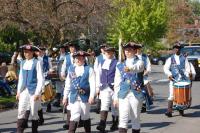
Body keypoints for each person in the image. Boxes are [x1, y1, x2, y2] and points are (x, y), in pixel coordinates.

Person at [113, 42, 144, 133]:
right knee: (123, 118)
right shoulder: (120, 64)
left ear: (135, 51)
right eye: (126, 50)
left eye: (130, 50)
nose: (127, 52)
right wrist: (115, 97)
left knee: (135, 118)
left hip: (136, 93)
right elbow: (117, 81)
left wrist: (129, 68)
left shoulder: (140, 62)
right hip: (123, 94)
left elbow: (137, 68)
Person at [62, 51, 96, 133]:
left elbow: (93, 84)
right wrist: (65, 97)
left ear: (84, 59)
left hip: (85, 97)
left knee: (85, 116)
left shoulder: (89, 69)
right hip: (73, 96)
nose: (79, 60)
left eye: (81, 58)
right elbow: (68, 84)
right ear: (74, 59)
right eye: (77, 58)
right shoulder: (71, 69)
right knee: (74, 115)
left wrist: (92, 96)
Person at [16, 44, 44, 133]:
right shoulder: (23, 62)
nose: (26, 53)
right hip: (24, 90)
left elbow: (40, 79)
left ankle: (34, 131)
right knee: (21, 110)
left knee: (33, 113)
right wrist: (18, 92)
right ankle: (19, 131)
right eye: (24, 52)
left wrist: (37, 93)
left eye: (27, 52)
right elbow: (21, 78)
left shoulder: (37, 62)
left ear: (32, 52)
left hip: (34, 90)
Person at [163, 42, 191, 117]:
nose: (177, 49)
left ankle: (181, 110)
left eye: (178, 48)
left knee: (181, 95)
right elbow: (166, 68)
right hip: (174, 80)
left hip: (183, 80)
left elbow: (187, 69)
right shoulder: (170, 59)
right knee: (171, 95)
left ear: (180, 49)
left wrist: (188, 75)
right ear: (173, 49)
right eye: (175, 48)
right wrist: (169, 74)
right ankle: (169, 111)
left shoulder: (184, 58)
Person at [95, 46, 118, 132]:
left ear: (113, 53)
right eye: (106, 52)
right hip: (104, 87)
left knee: (114, 107)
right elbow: (98, 75)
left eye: (109, 52)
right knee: (104, 105)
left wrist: (117, 86)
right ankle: (102, 124)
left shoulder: (117, 62)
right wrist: (97, 87)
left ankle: (115, 123)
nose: (108, 54)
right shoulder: (101, 62)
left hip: (114, 87)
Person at [136, 44, 153, 112]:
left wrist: (146, 72)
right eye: (137, 48)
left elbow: (149, 66)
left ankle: (143, 105)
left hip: (143, 77)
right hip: (135, 77)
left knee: (145, 91)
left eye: (140, 48)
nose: (138, 49)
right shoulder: (133, 56)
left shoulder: (145, 57)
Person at [94, 44, 107, 114]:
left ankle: (106, 106)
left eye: (104, 48)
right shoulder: (98, 57)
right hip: (100, 75)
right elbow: (95, 67)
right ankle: (98, 106)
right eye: (102, 48)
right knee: (99, 90)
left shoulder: (111, 56)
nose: (103, 49)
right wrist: (98, 73)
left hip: (108, 76)